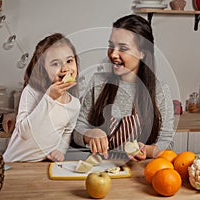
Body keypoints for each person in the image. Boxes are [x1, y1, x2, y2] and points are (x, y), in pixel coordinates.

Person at [73, 14, 175, 161]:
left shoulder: (159, 91)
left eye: (123, 48)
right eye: (111, 46)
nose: (113, 54)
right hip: (100, 168)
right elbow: (77, 131)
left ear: (142, 53)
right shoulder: (98, 83)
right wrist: (90, 135)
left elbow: (167, 142)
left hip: (140, 173)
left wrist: (145, 149)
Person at [3, 33, 80, 162]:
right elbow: (25, 133)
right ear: (43, 69)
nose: (65, 68)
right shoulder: (31, 92)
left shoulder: (74, 104)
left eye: (69, 61)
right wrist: (49, 98)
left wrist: (60, 150)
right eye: (55, 64)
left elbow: (67, 132)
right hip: (14, 164)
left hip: (41, 166)